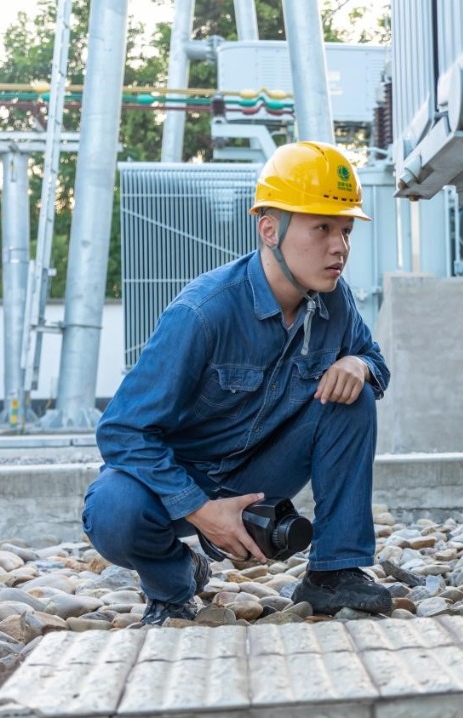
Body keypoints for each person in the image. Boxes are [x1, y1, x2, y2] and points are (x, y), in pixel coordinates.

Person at [83, 141, 393, 623]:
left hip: (260, 469)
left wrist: (360, 364)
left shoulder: (334, 301)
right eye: (322, 228)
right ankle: (174, 583)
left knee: (351, 398)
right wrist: (201, 509)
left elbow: (374, 359)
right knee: (112, 510)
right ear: (269, 229)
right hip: (183, 476)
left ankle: (335, 572)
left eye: (347, 230)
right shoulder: (203, 313)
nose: (340, 247)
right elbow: (122, 431)